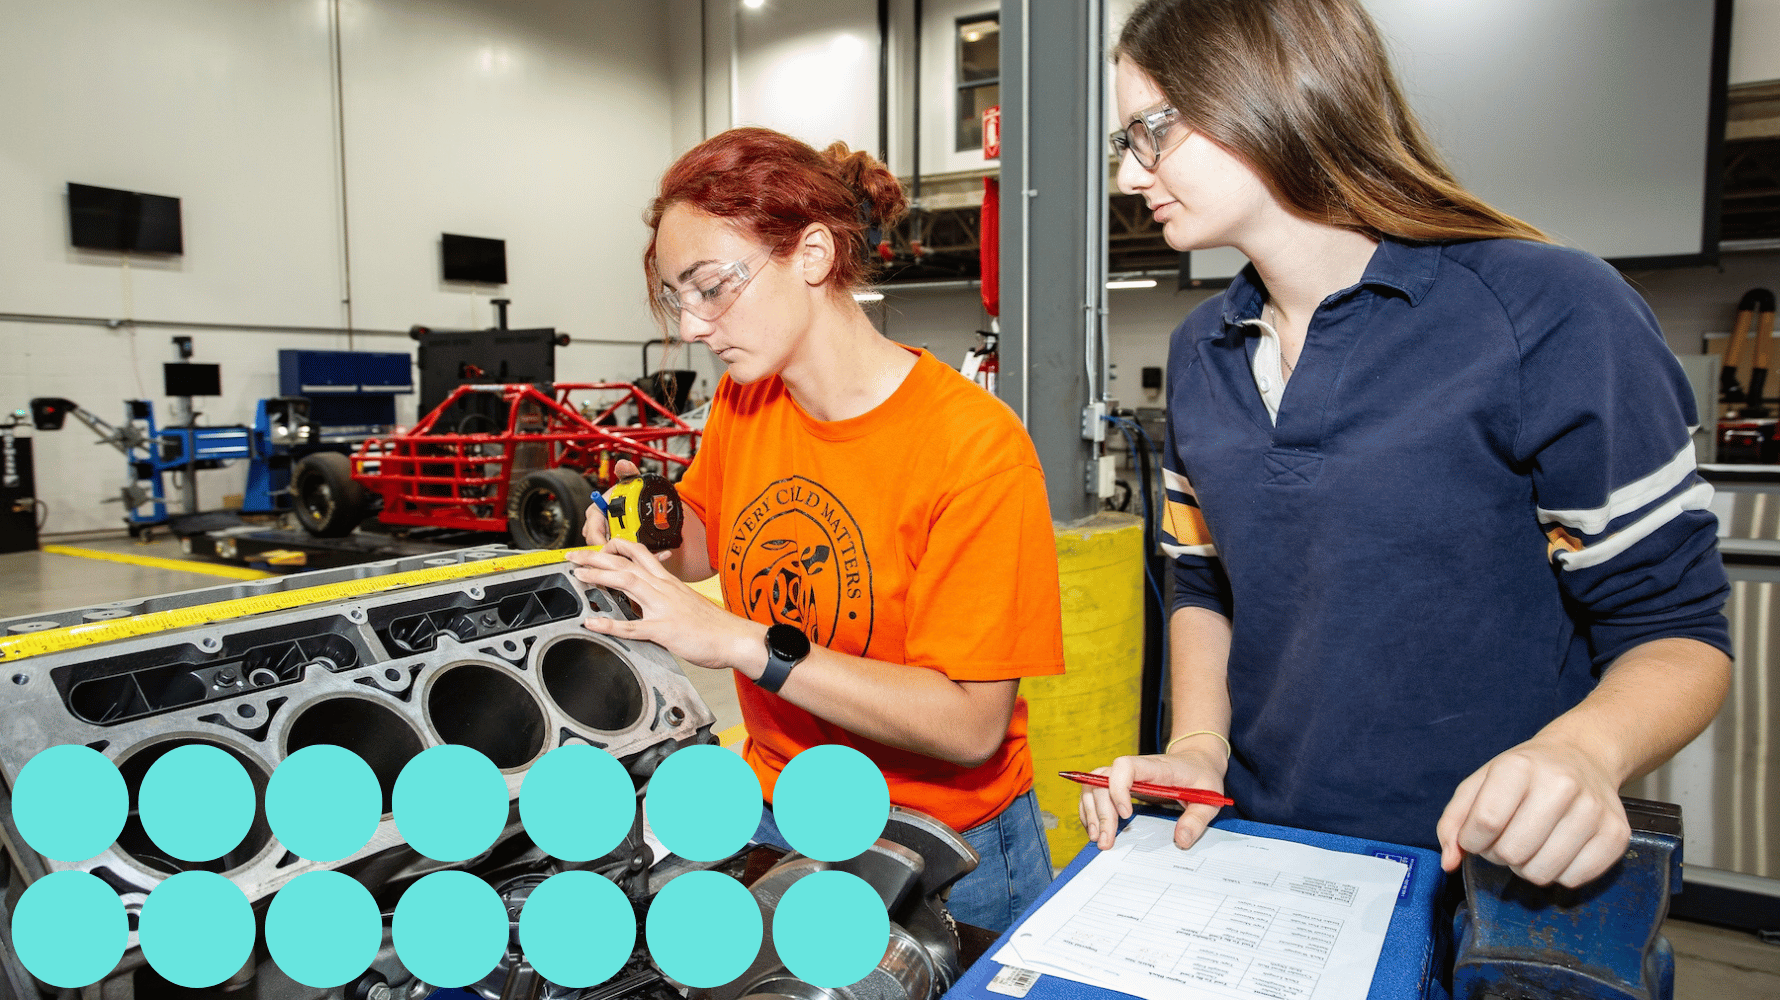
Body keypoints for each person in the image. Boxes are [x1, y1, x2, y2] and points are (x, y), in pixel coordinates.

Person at [1080, 0, 1732, 895]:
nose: (1129, 175)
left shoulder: (1552, 311)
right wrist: (1199, 746)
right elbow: (1204, 579)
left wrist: (1583, 752)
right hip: (1264, 862)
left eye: (1148, 131)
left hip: (1488, 880)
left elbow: (1678, 632)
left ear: (1269, 94)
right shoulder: (1204, 347)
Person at [565, 127, 1066, 933]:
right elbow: (707, 540)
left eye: (711, 287)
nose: (693, 326)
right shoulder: (746, 399)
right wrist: (652, 529)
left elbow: (969, 725)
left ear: (813, 255)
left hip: (938, 845)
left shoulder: (975, 450)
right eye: (676, 298)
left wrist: (740, 641)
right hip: (779, 809)